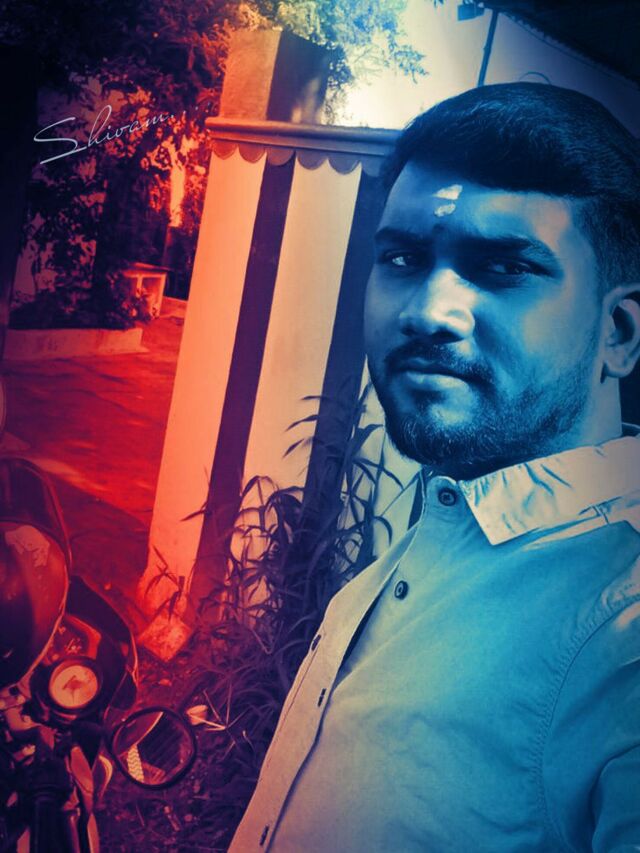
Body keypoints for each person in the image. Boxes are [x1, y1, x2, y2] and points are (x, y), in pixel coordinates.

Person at [229, 83, 640, 852]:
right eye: (403, 258)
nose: (426, 310)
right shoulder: (451, 518)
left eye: (502, 267)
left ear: (618, 332)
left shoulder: (623, 640)